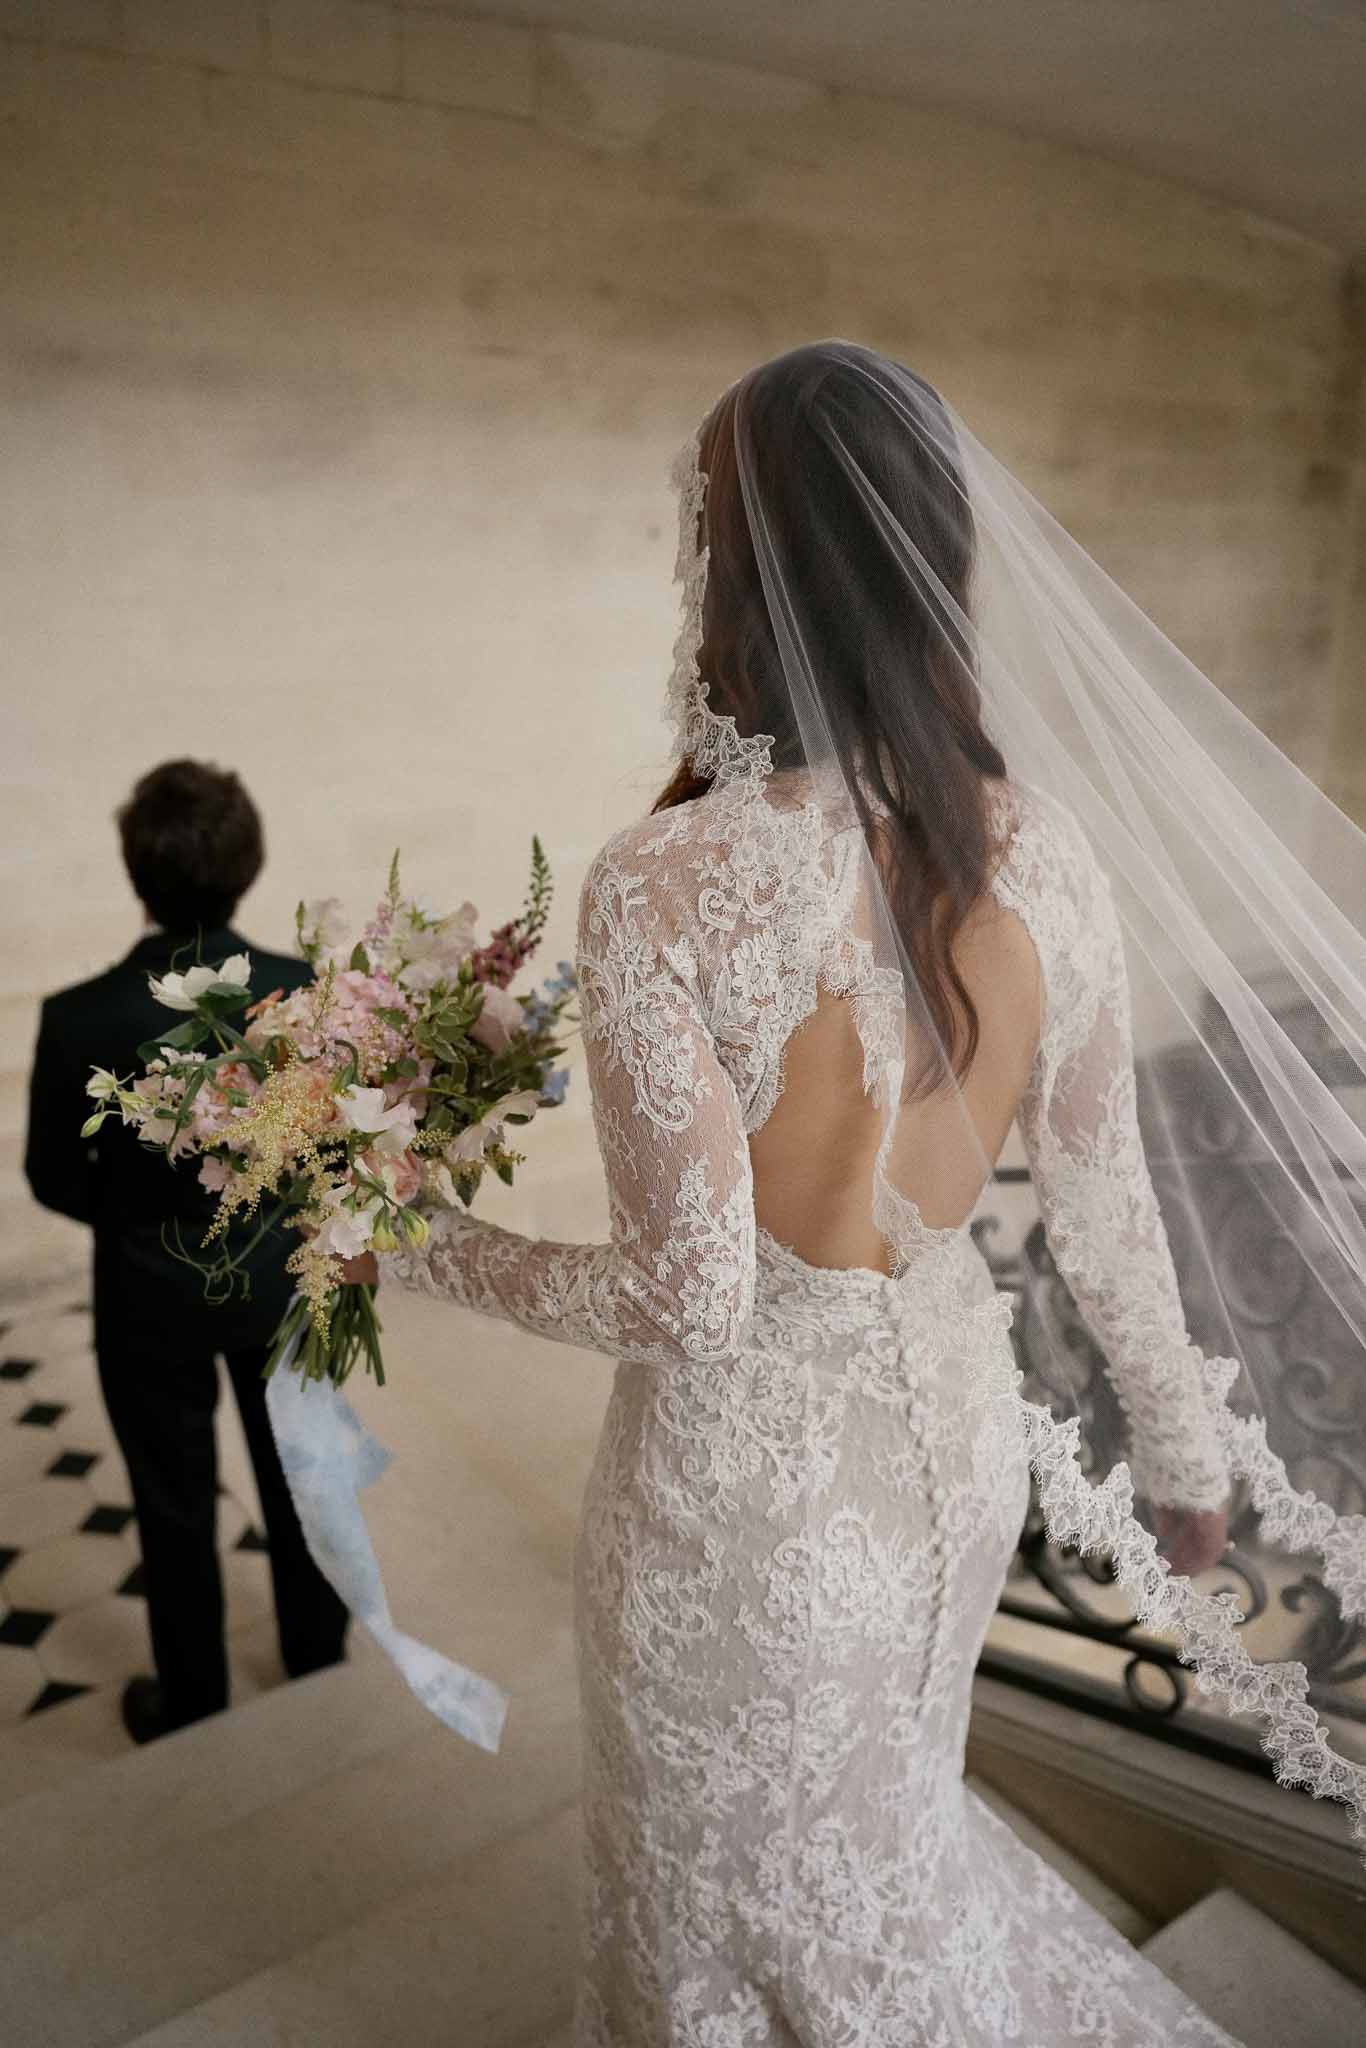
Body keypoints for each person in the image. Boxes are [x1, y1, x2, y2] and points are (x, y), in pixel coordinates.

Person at [329, 344, 1366, 2042]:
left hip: (730, 1521)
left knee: (707, 1905)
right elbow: (1107, 1212)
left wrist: (419, 1241)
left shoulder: (661, 883)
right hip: (948, 1465)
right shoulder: (1047, 854)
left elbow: (686, 1296)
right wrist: (1180, 1462)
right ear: (936, 555)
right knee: (877, 1852)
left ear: (729, 572)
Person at [25, 759, 348, 1744]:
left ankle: (195, 1691)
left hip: (145, 1293)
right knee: (300, 1471)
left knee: (170, 1499)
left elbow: (50, 1172)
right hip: (281, 1280)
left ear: (136, 871)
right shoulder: (298, 990)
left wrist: (135, 1219)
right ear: (248, 865)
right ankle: (315, 1645)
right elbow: (333, 1145)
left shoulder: (81, 1014)